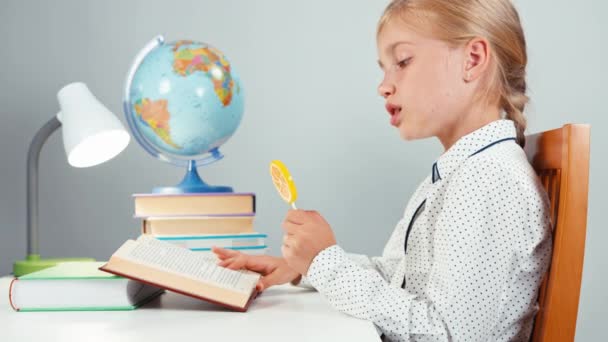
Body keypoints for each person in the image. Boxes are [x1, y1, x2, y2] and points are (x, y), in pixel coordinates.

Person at [213, 0, 552, 340]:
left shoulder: (487, 180)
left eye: (402, 61)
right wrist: (307, 268)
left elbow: (447, 334)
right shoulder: (461, 173)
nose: (383, 86)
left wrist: (327, 263)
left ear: (472, 59)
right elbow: (397, 276)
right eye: (385, 67)